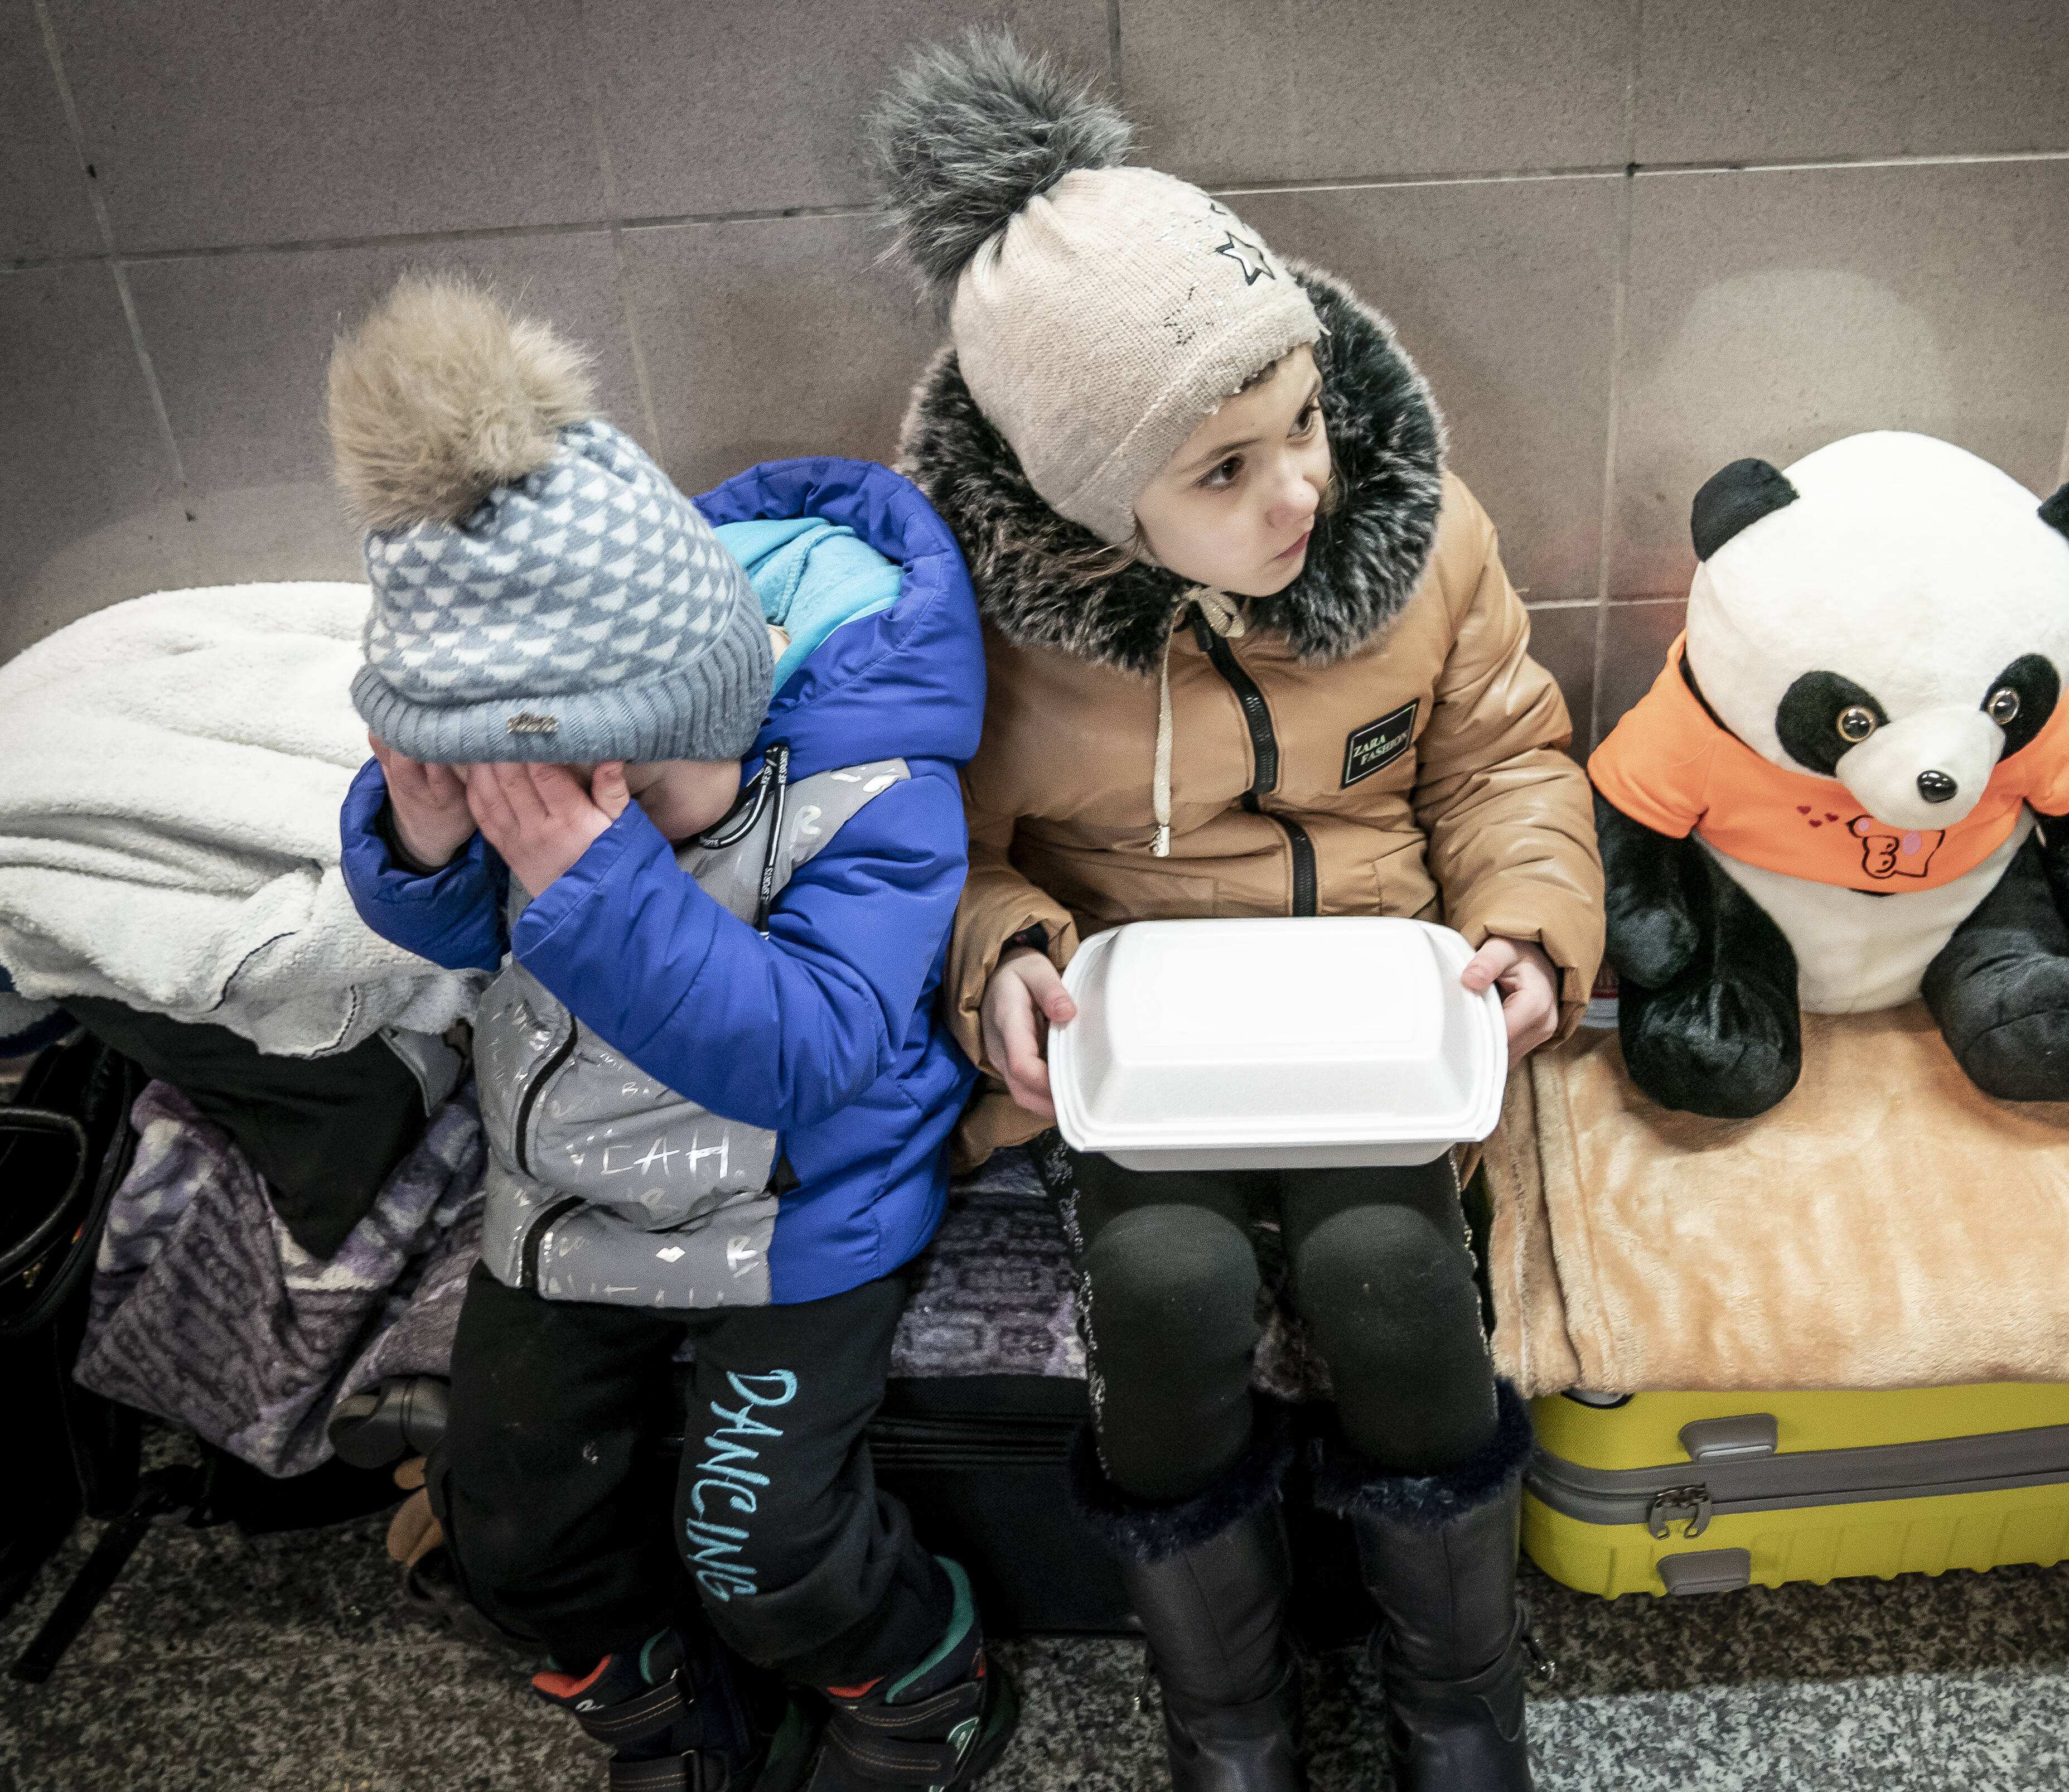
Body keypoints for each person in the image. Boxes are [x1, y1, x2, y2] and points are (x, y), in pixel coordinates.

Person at [869, 35, 1606, 1792]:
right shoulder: (970, 617)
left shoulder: (1420, 544)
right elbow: (936, 852)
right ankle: (1230, 1715)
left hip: (1379, 1004)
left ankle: (1457, 1701)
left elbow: (1506, 762)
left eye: (1304, 424)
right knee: (1172, 1286)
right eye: (1222, 471)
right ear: (1081, 499)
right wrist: (1006, 969)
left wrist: (1529, 934)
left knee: (1389, 1276)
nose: (1298, 491)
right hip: (1148, 1037)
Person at [331, 274, 1012, 1790]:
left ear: (703, 698)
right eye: (530, 786)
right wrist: (437, 842)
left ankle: (920, 1685)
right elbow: (464, 935)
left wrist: (594, 877)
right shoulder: (575, 786)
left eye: (602, 779)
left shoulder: (873, 790)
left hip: (799, 1217)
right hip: (569, 1207)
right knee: (506, 1517)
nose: (571, 815)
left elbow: (815, 1049)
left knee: (759, 1539)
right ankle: (665, 1714)